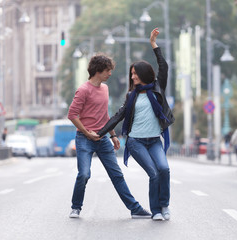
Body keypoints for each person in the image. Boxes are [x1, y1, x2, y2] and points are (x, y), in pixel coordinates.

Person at [97, 28, 175, 221]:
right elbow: (118, 116)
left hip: (154, 140)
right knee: (154, 174)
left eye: (135, 74)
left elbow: (163, 66)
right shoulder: (131, 96)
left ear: (143, 74)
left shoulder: (157, 88)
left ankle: (164, 205)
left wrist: (154, 45)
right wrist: (100, 133)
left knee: (164, 169)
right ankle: (156, 211)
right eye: (131, 74)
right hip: (136, 142)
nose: (132, 77)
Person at [67, 51, 151, 219]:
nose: (110, 73)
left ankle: (135, 209)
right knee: (84, 174)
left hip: (103, 138)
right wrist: (86, 133)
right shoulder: (83, 90)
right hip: (84, 139)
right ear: (98, 70)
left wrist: (112, 135)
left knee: (117, 175)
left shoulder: (105, 89)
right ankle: (76, 207)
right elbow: (72, 114)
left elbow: (104, 115)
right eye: (108, 70)